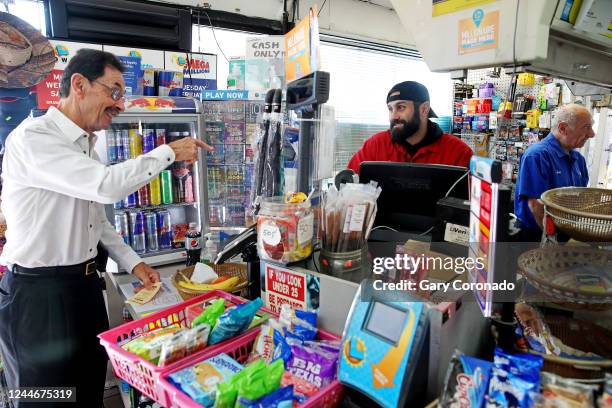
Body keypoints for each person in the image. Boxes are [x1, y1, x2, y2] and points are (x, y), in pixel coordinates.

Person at [0, 49, 212, 407]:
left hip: (81, 288)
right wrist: (168, 153)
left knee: (87, 391)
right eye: (113, 92)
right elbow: (107, 186)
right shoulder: (34, 138)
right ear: (79, 85)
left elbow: (94, 217)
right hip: (37, 296)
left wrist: (134, 262)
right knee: (45, 399)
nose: (119, 103)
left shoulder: (86, 145)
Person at [347, 81, 473, 174]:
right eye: (390, 109)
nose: (393, 116)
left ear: (424, 109)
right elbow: (347, 185)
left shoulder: (459, 153)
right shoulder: (375, 146)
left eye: (401, 107)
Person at [514, 104, 594, 241]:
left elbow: (580, 200)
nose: (592, 134)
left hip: (566, 233)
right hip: (538, 235)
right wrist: (552, 241)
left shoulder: (578, 159)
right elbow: (536, 206)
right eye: (586, 127)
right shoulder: (537, 156)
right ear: (563, 128)